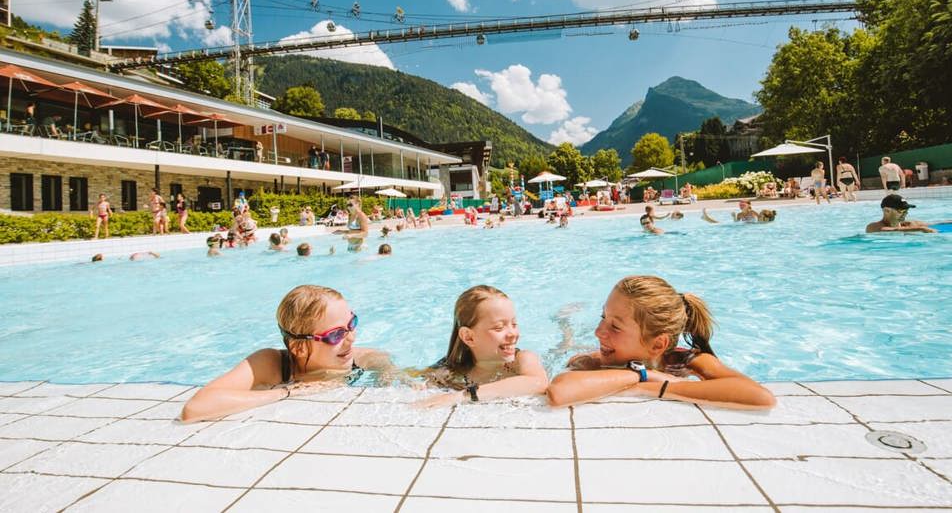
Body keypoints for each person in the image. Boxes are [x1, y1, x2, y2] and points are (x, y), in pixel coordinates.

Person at [546, 275, 775, 409]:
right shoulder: (594, 362)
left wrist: (659, 386)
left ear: (658, 345)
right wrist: (641, 374)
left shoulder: (685, 360)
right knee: (567, 347)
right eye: (603, 317)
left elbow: (761, 396)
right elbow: (560, 392)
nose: (598, 332)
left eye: (614, 326)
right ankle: (564, 327)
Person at [180, 285, 393, 422]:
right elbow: (195, 408)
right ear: (299, 347)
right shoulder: (271, 365)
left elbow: (386, 366)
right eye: (336, 335)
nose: (351, 338)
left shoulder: (361, 360)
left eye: (352, 323)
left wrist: (388, 379)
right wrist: (289, 392)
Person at [417, 285, 548, 407]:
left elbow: (538, 383)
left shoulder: (522, 360)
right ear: (469, 337)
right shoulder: (450, 373)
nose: (513, 334)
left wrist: (462, 396)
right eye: (499, 327)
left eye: (514, 324)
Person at [865, 194, 940, 233]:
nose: (905, 214)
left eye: (906, 210)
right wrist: (920, 229)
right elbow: (888, 230)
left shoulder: (910, 224)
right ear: (887, 211)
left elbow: (939, 224)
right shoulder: (872, 227)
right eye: (901, 211)